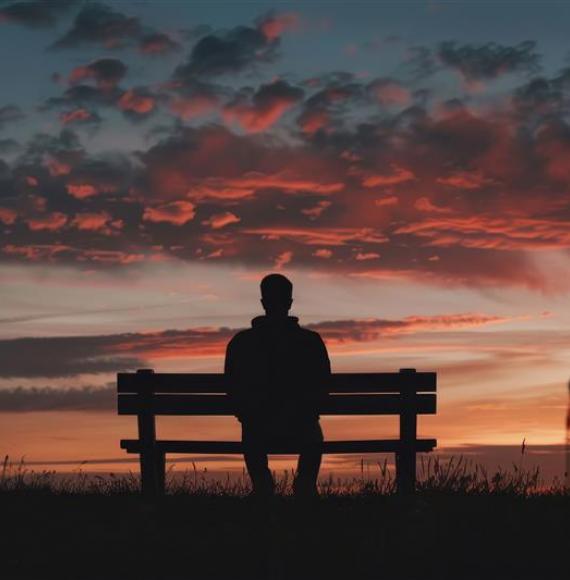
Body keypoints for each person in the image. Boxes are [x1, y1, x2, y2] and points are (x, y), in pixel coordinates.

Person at [224, 273, 331, 498]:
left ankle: (262, 485)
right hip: (301, 426)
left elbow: (231, 388)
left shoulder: (241, 343)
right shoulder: (310, 342)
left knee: (251, 427)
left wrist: (247, 411)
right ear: (290, 303)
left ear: (263, 302)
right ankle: (305, 485)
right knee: (313, 432)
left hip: (257, 428)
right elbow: (324, 385)